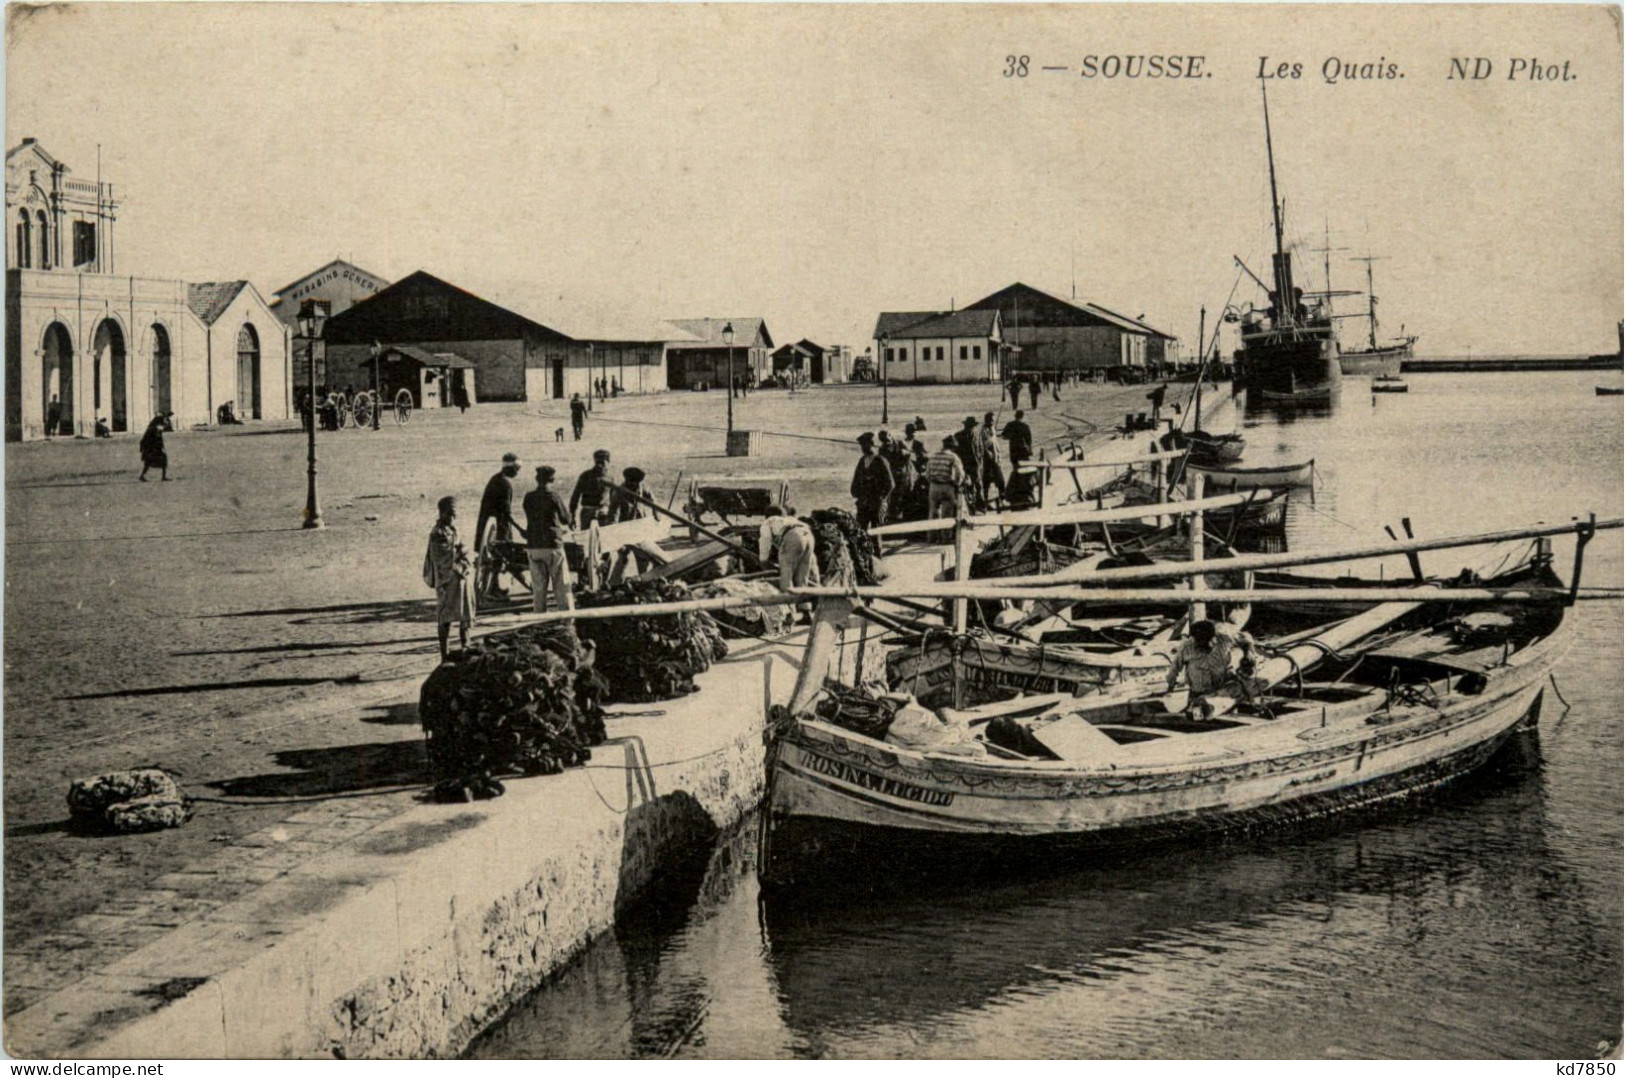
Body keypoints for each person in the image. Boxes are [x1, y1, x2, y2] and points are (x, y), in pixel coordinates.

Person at [1165, 619, 1257, 719]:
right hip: (1198, 694)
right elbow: (1174, 669)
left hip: (1223, 691)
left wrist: (1248, 652)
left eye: (1208, 640)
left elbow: (1247, 638)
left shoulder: (1225, 638)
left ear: (1213, 635)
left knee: (1227, 718)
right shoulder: (1186, 647)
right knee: (1197, 720)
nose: (1206, 645)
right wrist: (1170, 689)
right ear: (1194, 638)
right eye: (1201, 642)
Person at [423, 496, 475, 662]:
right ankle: (444, 655)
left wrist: (462, 553)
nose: (453, 517)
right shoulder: (437, 534)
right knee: (445, 618)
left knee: (466, 614)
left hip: (461, 578)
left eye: (455, 514)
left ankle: (465, 647)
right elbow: (441, 558)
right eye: (451, 514)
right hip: (447, 581)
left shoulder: (453, 529)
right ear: (442, 513)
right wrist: (461, 553)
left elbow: (461, 547)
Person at [522, 466, 575, 616]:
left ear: (536, 479)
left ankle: (540, 621)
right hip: (553, 545)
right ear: (552, 480)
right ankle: (567, 621)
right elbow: (566, 519)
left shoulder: (528, 497)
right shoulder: (554, 496)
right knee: (562, 587)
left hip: (534, 546)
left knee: (538, 589)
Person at [759, 506, 821, 591]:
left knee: (786, 578)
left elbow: (765, 541)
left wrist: (763, 561)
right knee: (802, 580)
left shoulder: (768, 522)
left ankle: (788, 602)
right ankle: (803, 603)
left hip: (793, 536)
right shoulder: (790, 520)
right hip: (808, 535)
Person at [476, 452, 523, 561]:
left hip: (488, 528)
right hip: (498, 530)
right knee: (505, 560)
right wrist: (520, 529)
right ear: (510, 468)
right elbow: (506, 512)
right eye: (517, 469)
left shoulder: (495, 479)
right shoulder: (505, 485)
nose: (517, 472)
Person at [850, 432, 895, 534]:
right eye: (862, 445)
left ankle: (877, 550)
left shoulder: (880, 461)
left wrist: (882, 500)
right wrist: (856, 494)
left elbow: (891, 484)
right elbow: (856, 480)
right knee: (861, 532)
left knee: (876, 532)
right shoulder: (862, 461)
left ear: (871, 444)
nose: (863, 448)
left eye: (865, 445)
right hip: (863, 504)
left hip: (876, 504)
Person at [570, 448, 615, 528]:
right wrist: (572, 516)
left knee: (605, 536)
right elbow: (575, 497)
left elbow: (613, 499)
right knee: (588, 536)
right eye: (598, 462)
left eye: (602, 462)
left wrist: (613, 516)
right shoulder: (586, 476)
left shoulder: (609, 477)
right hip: (589, 510)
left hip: (602, 511)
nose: (600, 465)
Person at [925, 435, 968, 521]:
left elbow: (927, 475)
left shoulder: (933, 456)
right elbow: (960, 474)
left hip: (933, 486)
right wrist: (957, 484)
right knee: (947, 515)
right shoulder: (953, 457)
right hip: (947, 486)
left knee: (933, 513)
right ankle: (945, 534)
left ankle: (933, 533)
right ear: (953, 447)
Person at [950, 416, 985, 510]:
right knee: (966, 485)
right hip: (964, 464)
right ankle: (970, 505)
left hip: (975, 464)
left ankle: (979, 505)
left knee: (978, 485)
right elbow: (955, 450)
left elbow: (981, 448)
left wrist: (980, 459)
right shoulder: (958, 435)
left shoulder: (977, 435)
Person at [979, 410, 1006, 503]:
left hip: (996, 459)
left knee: (998, 482)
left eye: (993, 421)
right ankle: (985, 501)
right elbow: (985, 444)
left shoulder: (991, 428)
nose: (992, 422)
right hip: (988, 461)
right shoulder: (983, 431)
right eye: (991, 420)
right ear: (987, 421)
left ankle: (1000, 499)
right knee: (988, 482)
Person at [138, 413, 172, 481]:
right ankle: (142, 476)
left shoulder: (155, 428)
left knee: (162, 461)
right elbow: (149, 439)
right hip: (151, 449)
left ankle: (163, 476)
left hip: (155, 448)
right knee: (149, 463)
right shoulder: (153, 429)